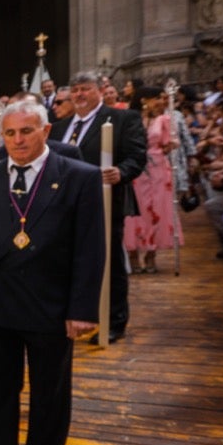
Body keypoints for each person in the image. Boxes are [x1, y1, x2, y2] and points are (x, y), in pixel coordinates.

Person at [0, 98, 104, 445]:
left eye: (27, 131)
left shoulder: (79, 176)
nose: (18, 140)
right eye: (10, 132)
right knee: (0, 391)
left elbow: (90, 248)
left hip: (52, 306)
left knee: (50, 393)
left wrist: (82, 308)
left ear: (46, 131)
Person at [51, 70, 147, 341]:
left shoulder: (122, 119)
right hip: (64, 205)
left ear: (100, 91)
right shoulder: (59, 127)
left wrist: (121, 171)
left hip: (104, 202)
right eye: (76, 89)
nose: (80, 94)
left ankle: (114, 319)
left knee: (110, 261)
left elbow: (137, 155)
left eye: (85, 88)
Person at [125, 86, 182, 273]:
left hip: (158, 168)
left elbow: (169, 143)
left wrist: (170, 145)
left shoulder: (164, 119)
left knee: (157, 209)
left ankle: (151, 255)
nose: (161, 101)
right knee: (136, 210)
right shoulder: (131, 118)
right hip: (136, 168)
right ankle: (133, 254)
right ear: (144, 99)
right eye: (157, 98)